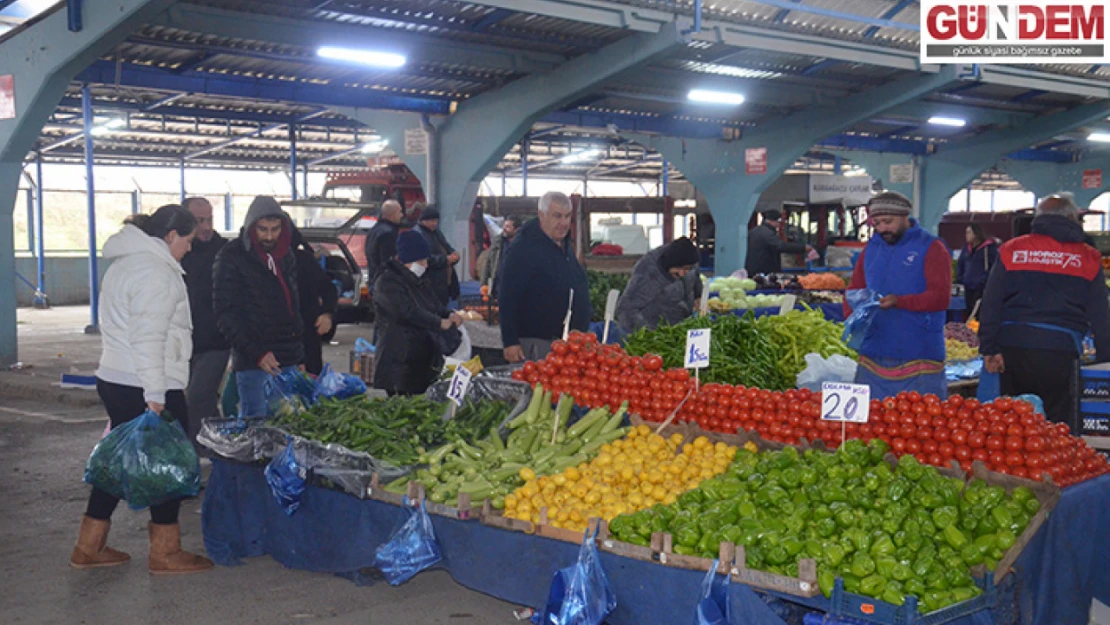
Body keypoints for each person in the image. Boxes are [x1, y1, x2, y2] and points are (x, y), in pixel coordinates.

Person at [71, 205, 213, 574]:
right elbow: (148, 337)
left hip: (118, 377)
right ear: (169, 237)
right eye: (187, 240)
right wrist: (156, 395)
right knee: (162, 463)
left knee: (122, 460)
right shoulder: (156, 273)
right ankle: (165, 552)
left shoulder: (126, 263)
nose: (189, 248)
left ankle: (89, 546)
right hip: (147, 382)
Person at [980, 195, 1110, 429]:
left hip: (1013, 348)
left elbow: (991, 302)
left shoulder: (1012, 249)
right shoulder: (1088, 257)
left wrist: (989, 348)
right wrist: (1104, 360)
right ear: (1073, 218)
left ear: (1037, 219)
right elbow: (1101, 314)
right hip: (1060, 352)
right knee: (1057, 425)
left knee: (1014, 424)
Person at [843, 192, 951, 398]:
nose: (882, 228)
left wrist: (899, 301)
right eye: (877, 223)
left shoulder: (931, 247)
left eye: (888, 222)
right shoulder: (871, 249)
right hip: (873, 354)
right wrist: (853, 316)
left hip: (919, 354)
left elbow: (940, 297)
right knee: (871, 425)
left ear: (904, 217)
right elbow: (853, 290)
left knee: (921, 426)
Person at [213, 196, 303, 417]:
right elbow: (226, 314)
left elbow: (293, 305)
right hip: (254, 363)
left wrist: (300, 355)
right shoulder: (231, 257)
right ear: (252, 226)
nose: (270, 236)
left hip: (288, 358)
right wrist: (258, 352)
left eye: (275, 229)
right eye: (263, 229)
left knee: (289, 424)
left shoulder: (286, 255)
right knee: (257, 428)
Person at [498, 191, 591, 362]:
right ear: (542, 215)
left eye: (567, 216)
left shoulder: (564, 245)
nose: (563, 223)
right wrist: (510, 341)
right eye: (557, 216)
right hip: (535, 345)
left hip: (566, 344)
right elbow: (507, 296)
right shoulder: (523, 248)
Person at [373, 231, 463, 395]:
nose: (425, 265)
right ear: (406, 260)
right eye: (421, 261)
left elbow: (433, 304)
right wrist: (438, 322)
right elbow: (405, 312)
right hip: (398, 361)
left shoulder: (419, 280)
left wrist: (448, 314)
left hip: (419, 360)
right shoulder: (387, 282)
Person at [180, 197, 229, 454]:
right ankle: (222, 451)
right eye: (200, 221)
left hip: (216, 341)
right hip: (184, 342)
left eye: (209, 219)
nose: (207, 226)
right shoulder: (177, 254)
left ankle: (193, 460)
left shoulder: (225, 251)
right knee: (207, 405)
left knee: (197, 400)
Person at [617, 237, 703, 332]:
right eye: (679, 268)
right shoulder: (648, 271)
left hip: (681, 325)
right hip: (656, 330)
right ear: (670, 264)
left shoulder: (690, 258)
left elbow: (695, 277)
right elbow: (627, 308)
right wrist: (646, 335)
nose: (682, 273)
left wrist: (698, 295)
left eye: (687, 269)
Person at [290, 223, 339, 376]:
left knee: (309, 390)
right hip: (272, 344)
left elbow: (328, 289)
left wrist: (327, 314)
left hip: (308, 336)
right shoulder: (258, 263)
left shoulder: (304, 260)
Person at [414, 207, 461, 307]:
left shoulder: (436, 233)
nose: (434, 223)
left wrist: (454, 254)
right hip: (429, 283)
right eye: (432, 221)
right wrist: (445, 260)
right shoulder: (417, 234)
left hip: (441, 282)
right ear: (423, 220)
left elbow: (446, 246)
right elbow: (423, 259)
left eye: (436, 221)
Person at [745, 209, 813, 276]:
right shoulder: (767, 234)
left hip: (753, 271)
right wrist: (803, 247)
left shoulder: (753, 231)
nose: (779, 224)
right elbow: (780, 246)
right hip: (764, 271)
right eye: (778, 221)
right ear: (770, 221)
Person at [955, 223, 999, 319]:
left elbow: (994, 266)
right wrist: (960, 278)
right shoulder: (966, 248)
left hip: (981, 288)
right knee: (967, 313)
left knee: (978, 314)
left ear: (976, 233)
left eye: (969, 232)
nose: (966, 235)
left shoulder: (989, 248)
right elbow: (960, 263)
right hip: (967, 287)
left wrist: (985, 280)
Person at [364, 199, 404, 287]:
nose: (402, 215)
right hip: (385, 283)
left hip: (374, 278)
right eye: (400, 212)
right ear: (391, 214)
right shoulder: (388, 234)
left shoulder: (374, 230)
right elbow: (388, 261)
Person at [480, 214, 522, 298]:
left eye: (508, 227)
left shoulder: (523, 245)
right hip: (498, 287)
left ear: (517, 230)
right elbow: (488, 263)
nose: (504, 229)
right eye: (504, 225)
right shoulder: (497, 242)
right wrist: (484, 284)